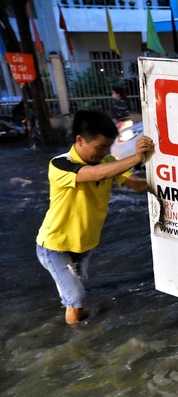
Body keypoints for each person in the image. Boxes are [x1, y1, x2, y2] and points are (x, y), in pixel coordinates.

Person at [36, 110, 155, 324]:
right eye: (99, 147)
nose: (104, 152)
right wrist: (135, 158)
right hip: (55, 246)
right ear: (80, 140)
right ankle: (77, 343)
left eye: (108, 147)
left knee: (76, 296)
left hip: (84, 245)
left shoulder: (107, 161)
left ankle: (77, 319)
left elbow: (136, 185)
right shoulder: (60, 164)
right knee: (77, 297)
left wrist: (172, 182)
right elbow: (95, 174)